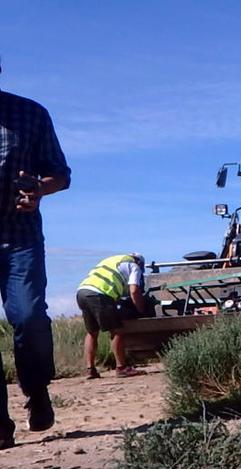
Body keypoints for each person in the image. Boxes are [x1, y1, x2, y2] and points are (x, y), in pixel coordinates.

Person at [0, 61, 72, 449]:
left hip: (20, 237)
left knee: (29, 317)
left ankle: (37, 389)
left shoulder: (30, 114)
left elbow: (61, 173)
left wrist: (40, 190)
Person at [76, 253, 150, 379]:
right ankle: (122, 368)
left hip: (82, 292)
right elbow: (134, 290)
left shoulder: (111, 261)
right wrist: (141, 309)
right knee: (117, 332)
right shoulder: (134, 266)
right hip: (99, 295)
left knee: (92, 332)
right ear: (139, 262)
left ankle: (90, 370)